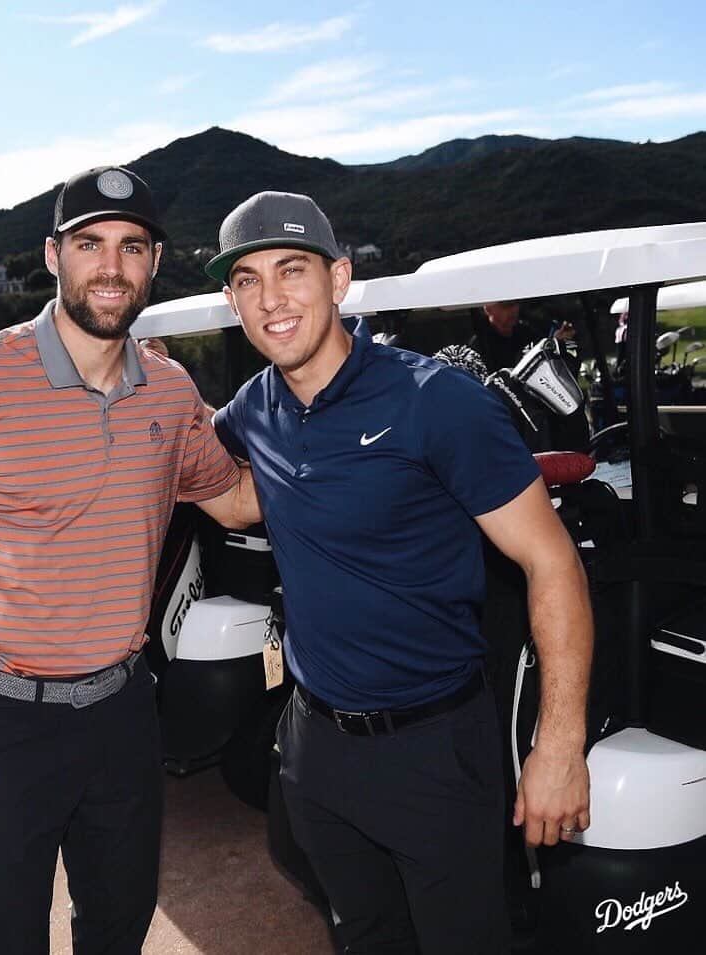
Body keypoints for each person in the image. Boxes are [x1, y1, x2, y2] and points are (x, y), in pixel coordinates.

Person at [0, 165, 259, 955]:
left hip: (123, 711)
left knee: (119, 925)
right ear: (53, 256)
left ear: (153, 261)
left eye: (131, 246)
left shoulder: (170, 390)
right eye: (90, 244)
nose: (110, 266)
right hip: (2, 719)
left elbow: (237, 501)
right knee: (7, 937)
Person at [205, 191, 593, 954]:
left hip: (434, 751)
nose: (270, 298)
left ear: (339, 278)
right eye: (247, 280)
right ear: (231, 300)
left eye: (291, 270)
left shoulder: (436, 402)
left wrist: (558, 746)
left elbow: (550, 562)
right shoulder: (253, 407)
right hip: (316, 745)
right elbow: (234, 496)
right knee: (362, 936)